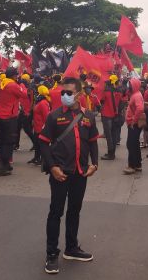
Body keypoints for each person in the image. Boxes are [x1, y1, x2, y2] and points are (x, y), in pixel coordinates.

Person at [39, 77, 99, 274]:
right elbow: (44, 143)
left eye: (69, 93)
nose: (64, 96)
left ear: (79, 95)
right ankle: (51, 254)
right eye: (62, 92)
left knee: (75, 211)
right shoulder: (54, 116)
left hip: (80, 173)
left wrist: (95, 163)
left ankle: (71, 248)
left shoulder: (88, 116)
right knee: (56, 212)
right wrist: (53, 166)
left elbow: (92, 142)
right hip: (60, 174)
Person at [0, 68, 23, 176]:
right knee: (9, 142)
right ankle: (2, 166)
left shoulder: (2, 83)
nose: (17, 77)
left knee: (3, 141)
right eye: (16, 75)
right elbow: (23, 94)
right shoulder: (13, 85)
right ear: (13, 76)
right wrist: (22, 86)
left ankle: (6, 165)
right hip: (10, 117)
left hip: (1, 115)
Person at [122, 78, 145, 175]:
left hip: (134, 124)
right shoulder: (135, 94)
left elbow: (140, 109)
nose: (128, 86)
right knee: (134, 144)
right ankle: (137, 164)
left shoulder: (136, 95)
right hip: (133, 123)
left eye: (130, 84)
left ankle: (132, 166)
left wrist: (133, 121)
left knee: (131, 144)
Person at [99, 75, 122, 160]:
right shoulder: (119, 91)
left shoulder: (106, 91)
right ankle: (112, 153)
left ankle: (110, 154)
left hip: (106, 115)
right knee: (114, 135)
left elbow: (100, 100)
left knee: (108, 136)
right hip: (115, 116)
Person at [29, 85, 51, 165]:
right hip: (37, 126)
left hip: (41, 128)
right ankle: (37, 158)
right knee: (37, 144)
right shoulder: (40, 101)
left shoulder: (43, 103)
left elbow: (46, 116)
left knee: (41, 145)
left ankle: (42, 160)